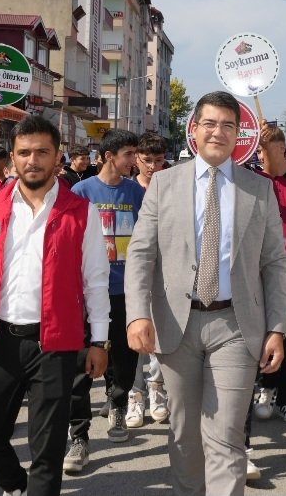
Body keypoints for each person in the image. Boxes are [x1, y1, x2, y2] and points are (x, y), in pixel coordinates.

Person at [126, 91, 286, 496]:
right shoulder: (164, 184)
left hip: (236, 325)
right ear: (194, 130)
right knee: (184, 434)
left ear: (239, 134)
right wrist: (137, 314)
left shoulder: (258, 189)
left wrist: (277, 328)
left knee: (226, 435)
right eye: (210, 124)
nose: (219, 132)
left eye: (228, 126)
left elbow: (274, 263)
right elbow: (142, 254)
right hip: (175, 325)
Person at [0, 116, 111, 496]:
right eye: (23, 152)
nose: (32, 160)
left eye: (41, 152)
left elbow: (95, 282)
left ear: (57, 157)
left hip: (55, 344)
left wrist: (100, 342)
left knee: (47, 450)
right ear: (12, 158)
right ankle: (18, 487)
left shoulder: (80, 212)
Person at [65, 129, 143, 473]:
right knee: (80, 368)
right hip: (88, 293)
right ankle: (78, 437)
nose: (134, 160)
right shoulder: (81, 192)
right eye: (129, 154)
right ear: (109, 156)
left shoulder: (135, 193)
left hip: (126, 292)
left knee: (123, 360)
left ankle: (117, 409)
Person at [253, 124, 286, 425]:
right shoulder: (255, 181)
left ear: (280, 149)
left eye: (262, 149)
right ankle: (267, 388)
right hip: (262, 270)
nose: (258, 155)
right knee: (267, 332)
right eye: (256, 149)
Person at [126, 130, 171, 428]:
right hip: (134, 273)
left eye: (158, 160)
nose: (153, 166)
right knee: (133, 337)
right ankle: (134, 394)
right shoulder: (128, 190)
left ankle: (156, 390)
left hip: (165, 273)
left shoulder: (170, 188)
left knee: (158, 337)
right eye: (147, 160)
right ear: (135, 159)